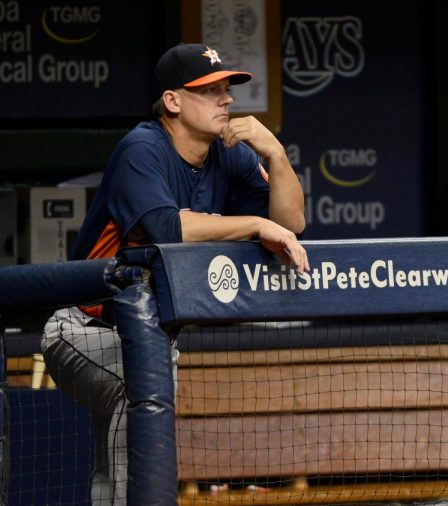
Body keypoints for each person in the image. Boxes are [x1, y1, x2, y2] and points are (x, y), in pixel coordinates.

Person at [41, 43, 309, 504]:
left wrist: (277, 156)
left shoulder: (231, 155)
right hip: (80, 326)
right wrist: (254, 224)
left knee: (120, 450)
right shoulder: (142, 148)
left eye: (227, 89)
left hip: (150, 334)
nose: (226, 99)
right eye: (209, 90)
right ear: (173, 101)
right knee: (142, 388)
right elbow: (167, 227)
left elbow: (291, 226)